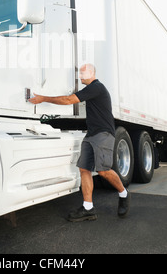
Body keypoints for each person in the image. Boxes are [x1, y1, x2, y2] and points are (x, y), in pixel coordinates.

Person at [29, 63, 131, 221]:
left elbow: (69, 99)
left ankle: (123, 194)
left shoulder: (97, 87)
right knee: (84, 169)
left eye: (82, 74)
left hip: (103, 135)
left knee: (103, 170)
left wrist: (43, 99)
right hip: (91, 135)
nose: (80, 76)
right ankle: (88, 208)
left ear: (91, 73)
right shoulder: (91, 89)